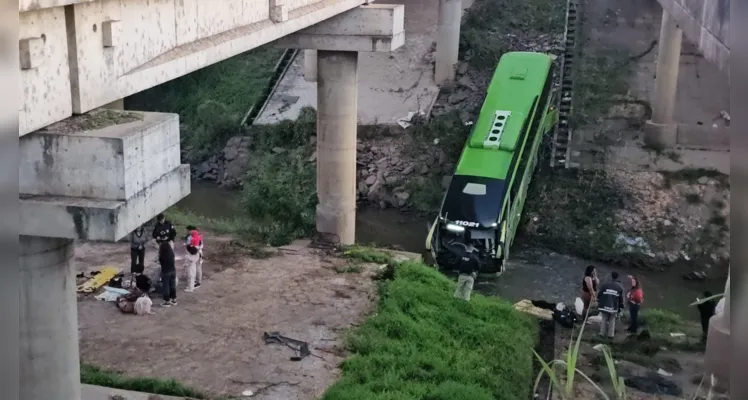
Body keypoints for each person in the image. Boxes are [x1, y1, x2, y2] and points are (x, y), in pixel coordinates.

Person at [451, 230, 481, 301]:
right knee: (468, 291)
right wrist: (475, 272)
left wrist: (457, 269)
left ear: (465, 248)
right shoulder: (474, 257)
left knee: (459, 289)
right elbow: (479, 266)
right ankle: (466, 302)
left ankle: (455, 300)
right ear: (472, 249)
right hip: (471, 276)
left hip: (462, 275)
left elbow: (456, 264)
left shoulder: (461, 255)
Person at [597, 271, 625, 339]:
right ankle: (610, 335)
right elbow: (621, 298)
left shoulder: (605, 284)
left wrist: (598, 300)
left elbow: (599, 294)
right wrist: (621, 306)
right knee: (612, 320)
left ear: (611, 276)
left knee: (604, 319)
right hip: (613, 307)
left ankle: (602, 334)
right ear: (617, 277)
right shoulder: (620, 287)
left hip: (604, 305)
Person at [183, 226, 203, 292]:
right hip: (194, 253)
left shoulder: (196, 237)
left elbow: (200, 245)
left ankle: (198, 282)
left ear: (192, 230)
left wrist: (193, 248)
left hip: (196, 253)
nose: (188, 232)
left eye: (188, 231)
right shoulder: (193, 236)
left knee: (197, 268)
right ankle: (193, 283)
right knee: (194, 269)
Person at [158, 241, 178, 307]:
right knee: (172, 285)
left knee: (166, 286)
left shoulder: (162, 256)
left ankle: (167, 301)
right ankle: (174, 299)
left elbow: (161, 263)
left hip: (166, 272)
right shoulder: (172, 254)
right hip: (173, 271)